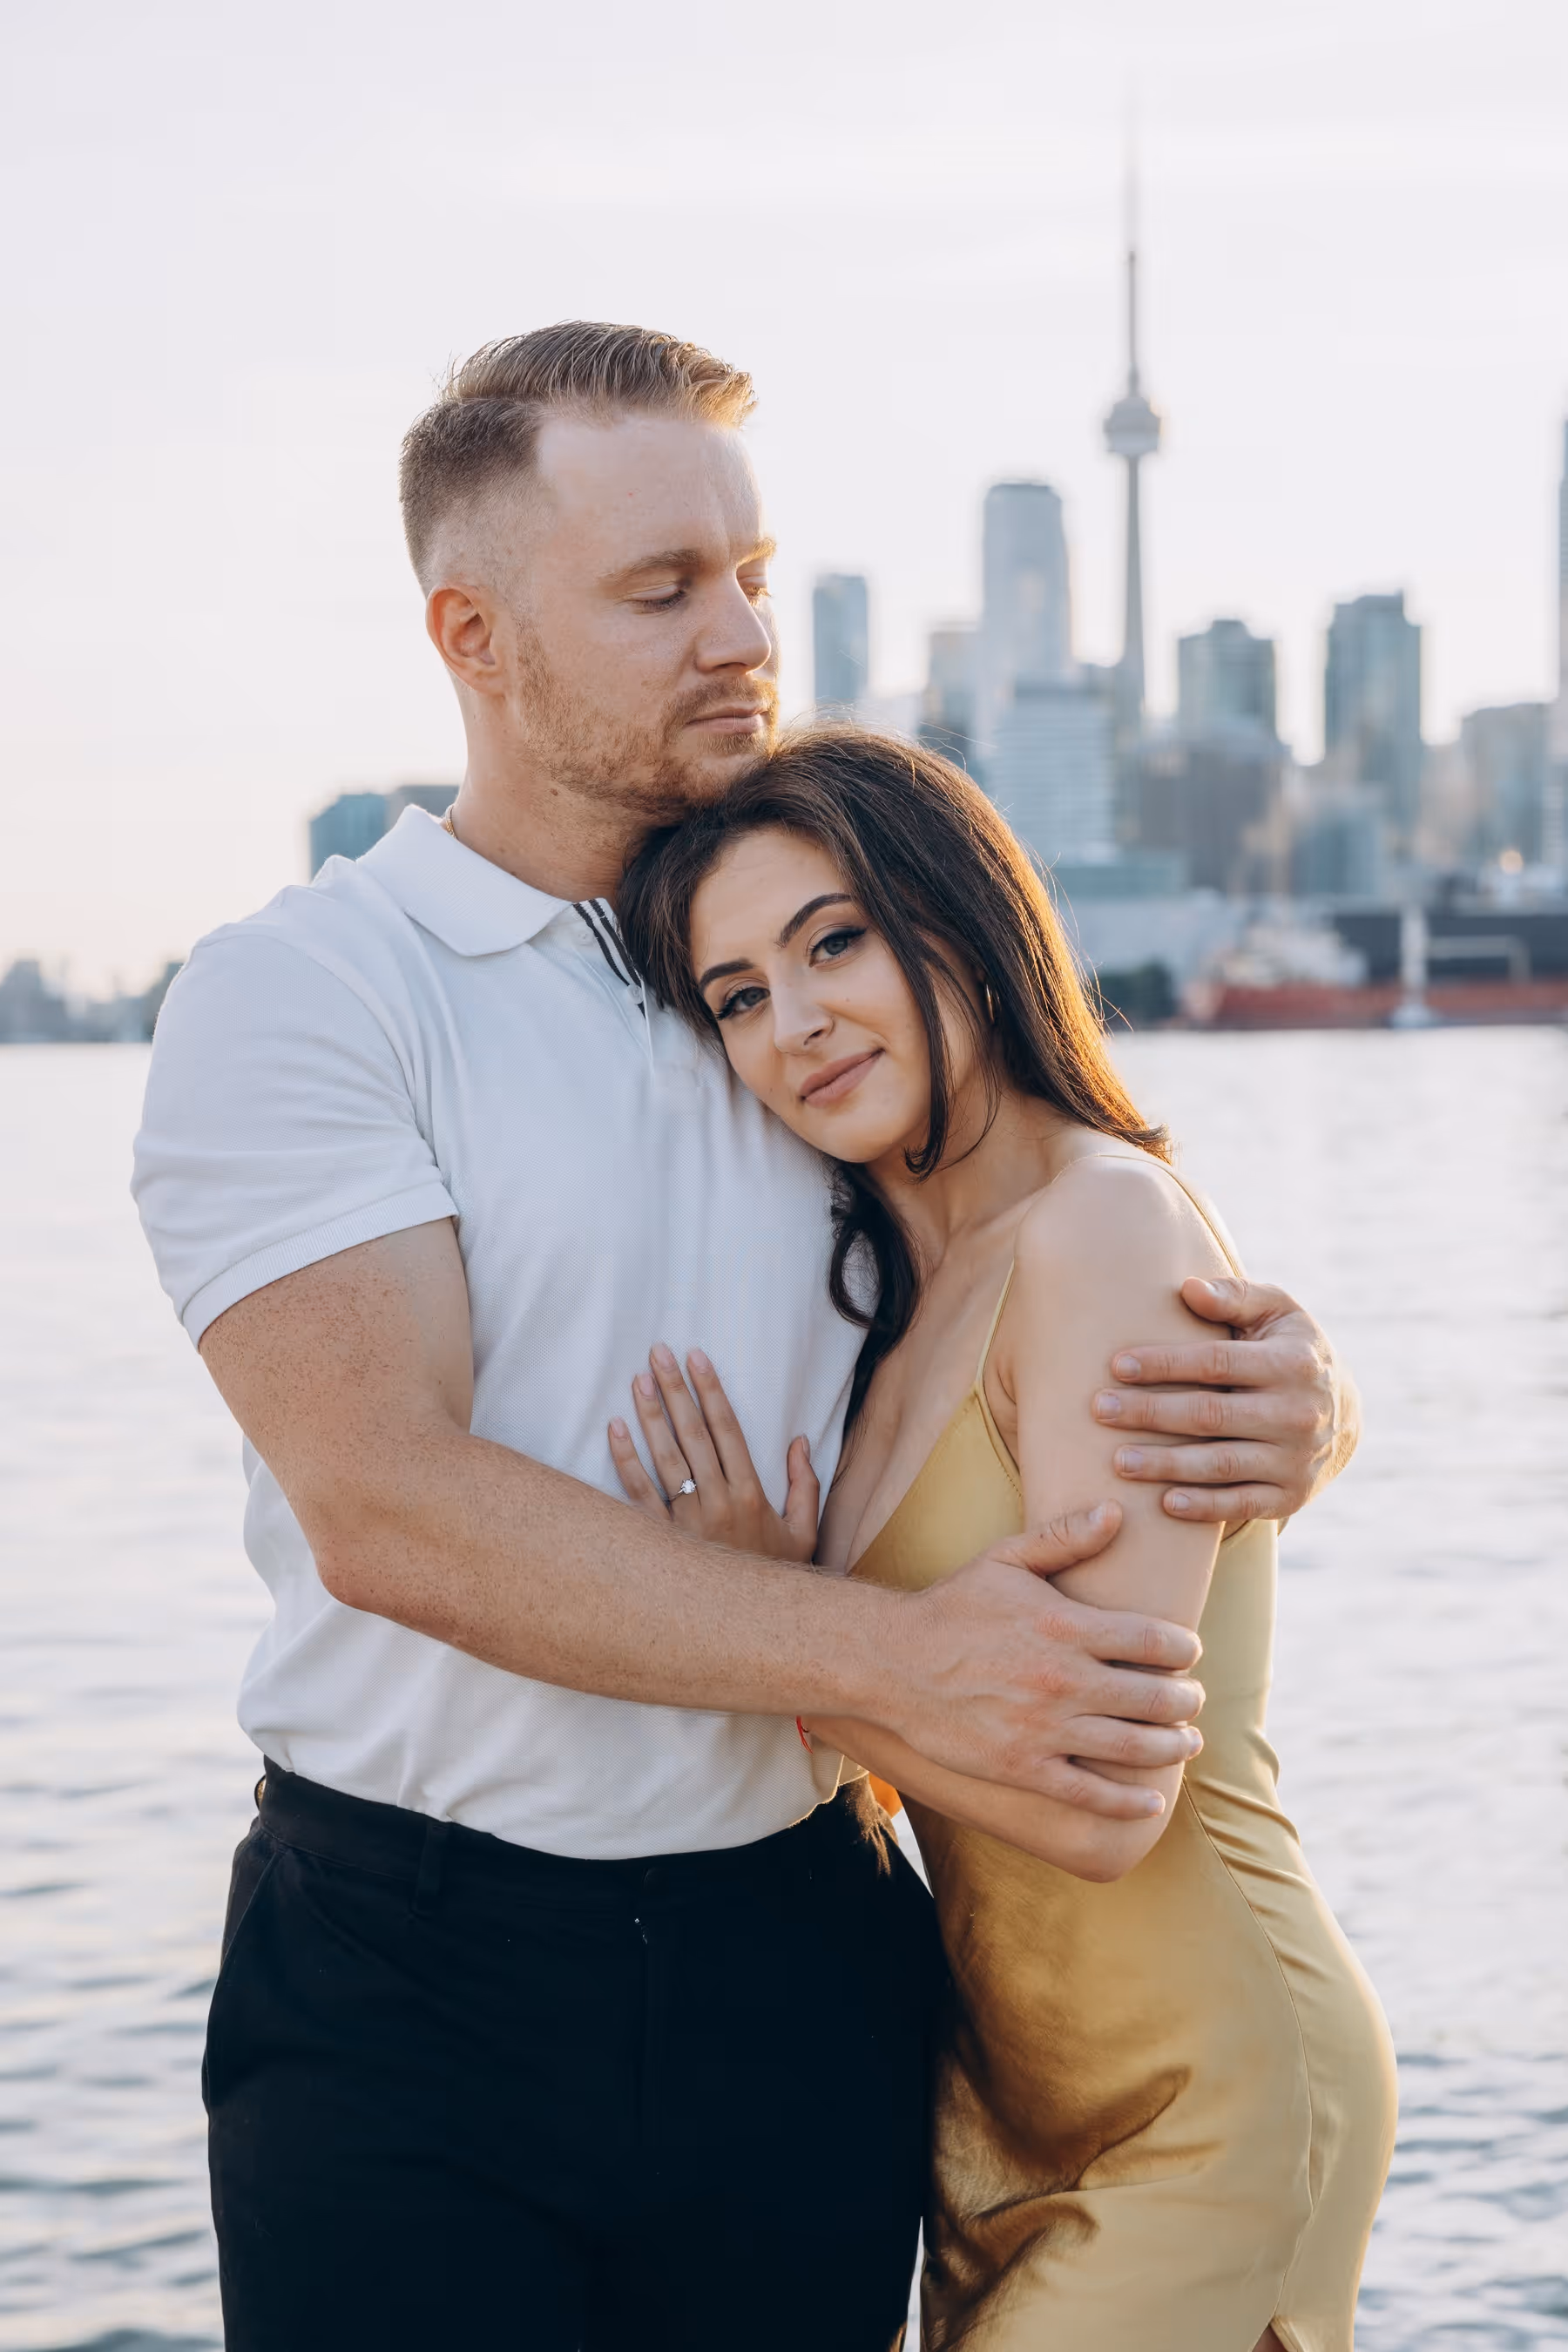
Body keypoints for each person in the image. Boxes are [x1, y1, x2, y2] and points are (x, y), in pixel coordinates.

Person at [132, 322, 1362, 2352]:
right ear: (474, 632)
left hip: (811, 1965)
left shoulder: (802, 976)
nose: (740, 636)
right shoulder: (313, 992)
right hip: (416, 1981)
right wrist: (890, 1663)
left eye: (754, 576)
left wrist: (1302, 1399)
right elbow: (389, 1505)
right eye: (659, 592)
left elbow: (1061, 1244)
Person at [614, 727, 1398, 2352]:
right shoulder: (889, 1325)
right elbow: (932, 1735)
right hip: (991, 2105)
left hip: (1206, 2089)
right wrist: (801, 1642)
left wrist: (766, 1643)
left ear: (959, 926)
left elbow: (1102, 1796)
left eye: (835, 941)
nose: (797, 1022)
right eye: (739, 995)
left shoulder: (1101, 1225)